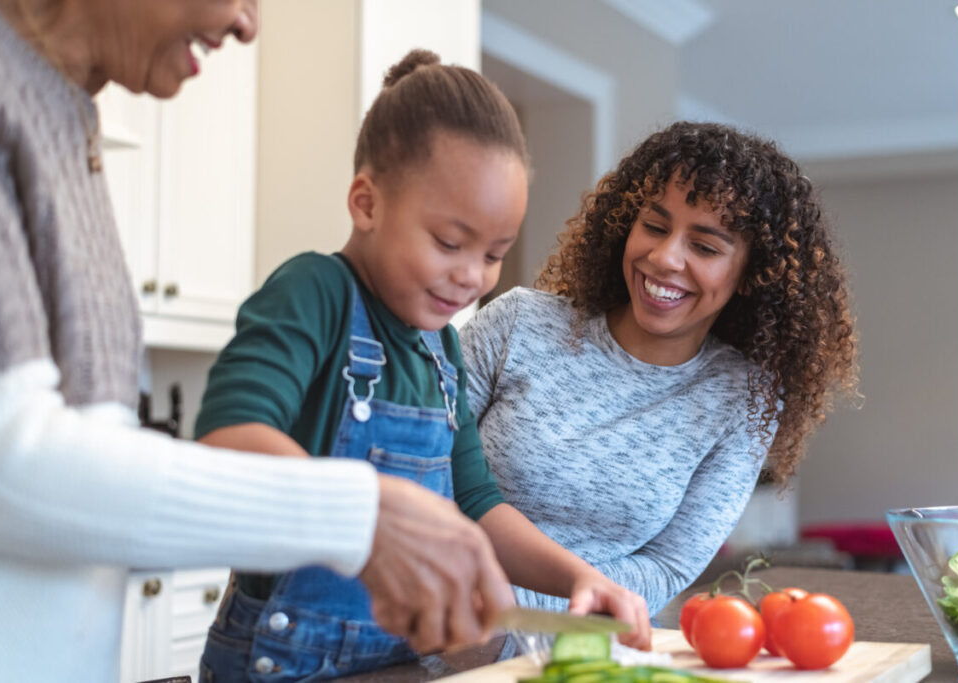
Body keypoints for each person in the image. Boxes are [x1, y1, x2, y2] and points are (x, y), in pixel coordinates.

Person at [0, 2, 516, 681]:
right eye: (449, 242)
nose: (249, 23)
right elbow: (8, 464)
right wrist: (358, 516)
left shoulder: (64, 118)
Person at [194, 49, 651, 681]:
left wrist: (580, 578)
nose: (472, 277)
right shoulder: (315, 293)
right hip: (280, 665)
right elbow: (228, 436)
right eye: (449, 242)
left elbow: (476, 502)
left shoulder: (442, 350)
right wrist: (370, 514)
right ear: (367, 204)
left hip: (398, 665)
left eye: (493, 254)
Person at [461, 121, 858, 616]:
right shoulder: (517, 323)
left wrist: (514, 616)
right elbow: (419, 468)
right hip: (437, 621)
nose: (665, 257)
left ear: (752, 275)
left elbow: (667, 568)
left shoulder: (741, 397)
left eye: (705, 247)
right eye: (653, 226)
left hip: (578, 643)